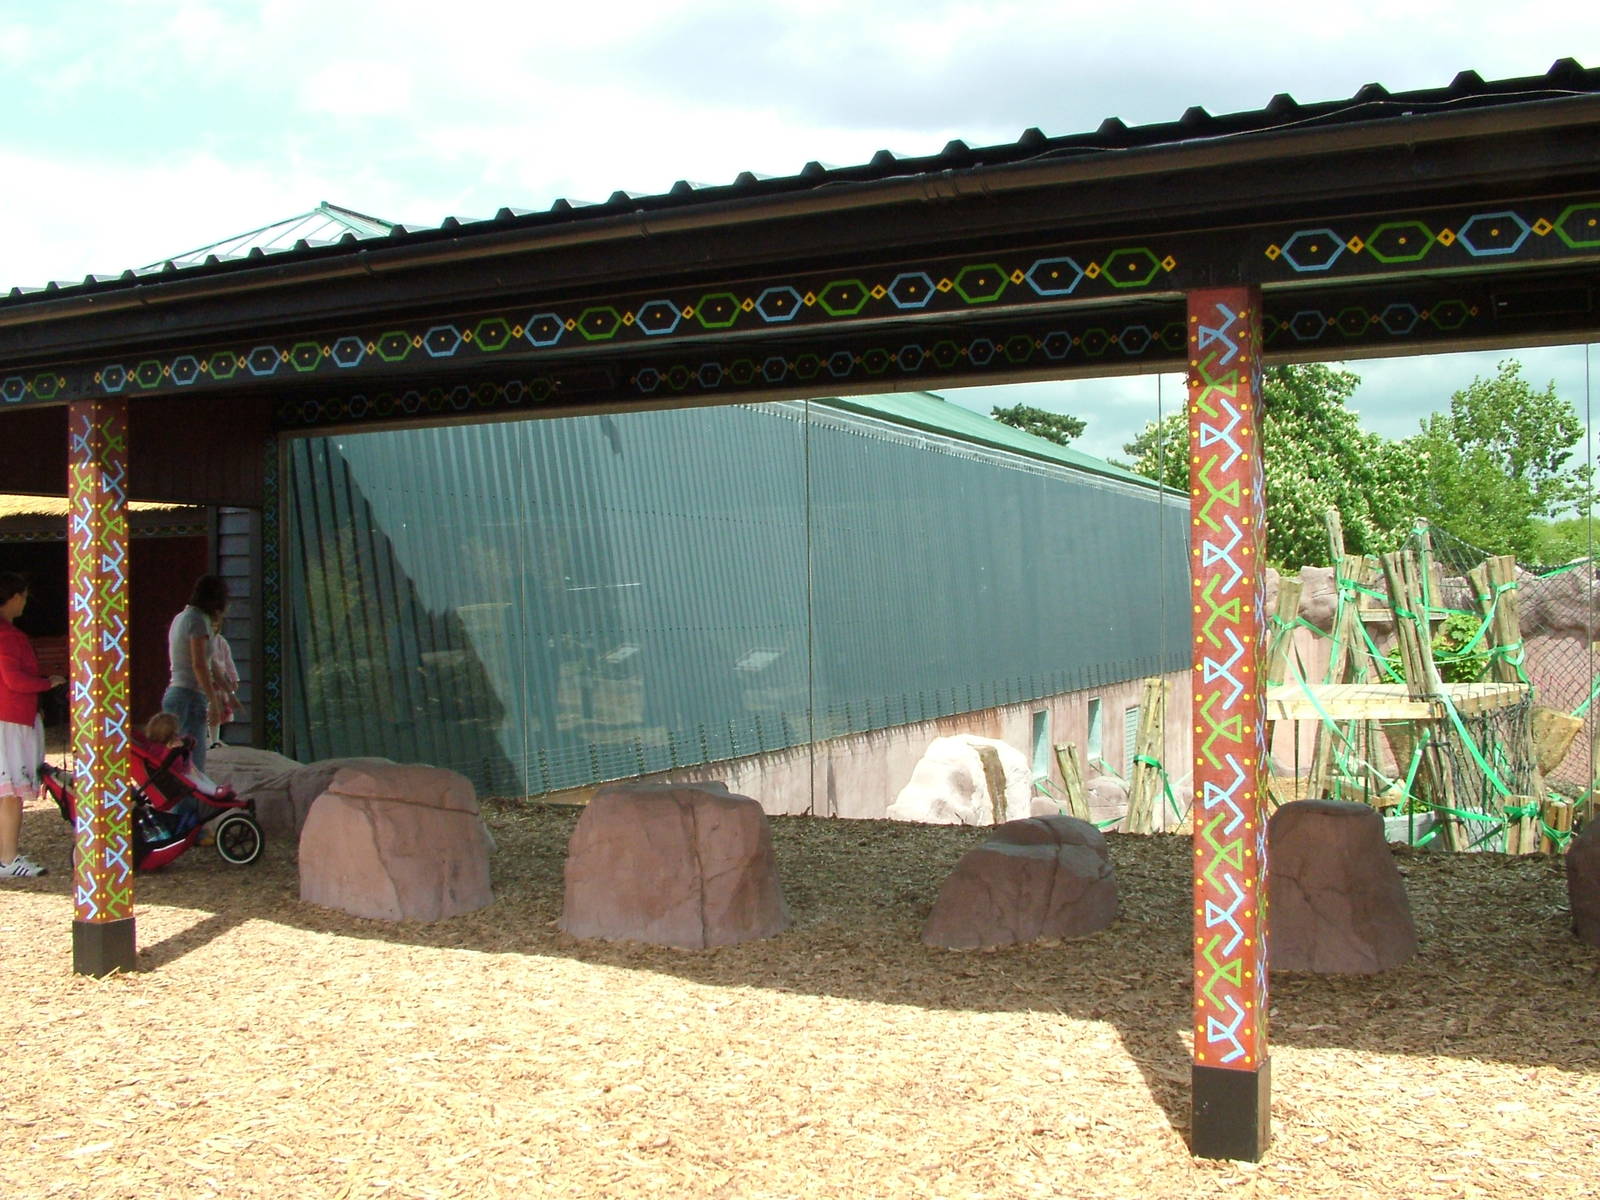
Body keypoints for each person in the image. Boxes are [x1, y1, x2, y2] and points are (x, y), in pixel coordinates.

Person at [0, 572, 65, 878]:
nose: (25, 602)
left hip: (11, 720)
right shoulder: (8, 636)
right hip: (10, 721)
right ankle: (9, 858)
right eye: (23, 596)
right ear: (12, 597)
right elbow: (14, 680)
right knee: (10, 793)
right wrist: (46, 683)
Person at [163, 575, 228, 775]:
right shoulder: (197, 620)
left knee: (179, 764)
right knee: (193, 765)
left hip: (176, 693)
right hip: (189, 696)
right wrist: (213, 702)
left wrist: (228, 691)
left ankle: (179, 806)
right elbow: (199, 664)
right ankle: (187, 807)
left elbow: (209, 663)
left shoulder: (181, 617)